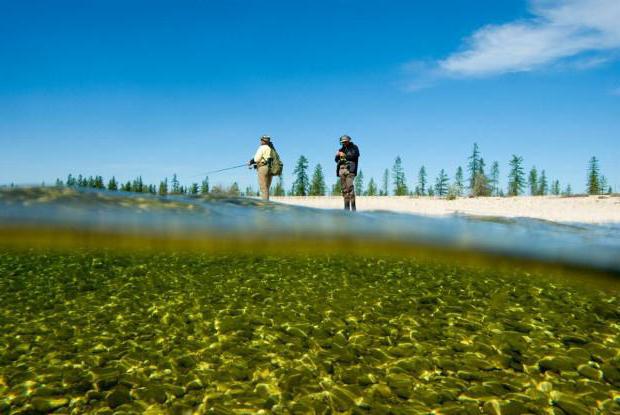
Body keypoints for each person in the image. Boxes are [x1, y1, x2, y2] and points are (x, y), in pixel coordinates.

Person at [334, 134, 360, 211]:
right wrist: (337, 155)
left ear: (348, 141)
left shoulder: (354, 147)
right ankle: (346, 209)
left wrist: (344, 155)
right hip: (341, 170)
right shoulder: (341, 149)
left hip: (350, 170)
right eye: (342, 142)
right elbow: (336, 160)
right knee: (344, 190)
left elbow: (355, 156)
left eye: (345, 141)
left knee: (350, 189)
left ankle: (353, 209)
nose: (344, 143)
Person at [249, 135, 275, 200]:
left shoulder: (262, 147)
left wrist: (251, 161)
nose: (260, 141)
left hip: (263, 169)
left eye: (261, 140)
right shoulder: (271, 148)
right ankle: (267, 204)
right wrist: (255, 166)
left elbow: (257, 159)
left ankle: (265, 205)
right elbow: (267, 160)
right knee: (267, 188)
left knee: (263, 188)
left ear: (264, 141)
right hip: (271, 168)